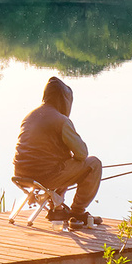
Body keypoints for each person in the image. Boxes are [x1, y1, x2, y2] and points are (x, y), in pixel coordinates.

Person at [13, 76, 102, 224]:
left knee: (60, 159)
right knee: (94, 164)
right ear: (64, 100)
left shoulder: (29, 116)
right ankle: (77, 212)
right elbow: (82, 154)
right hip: (45, 176)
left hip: (21, 174)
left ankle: (57, 209)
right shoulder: (61, 120)